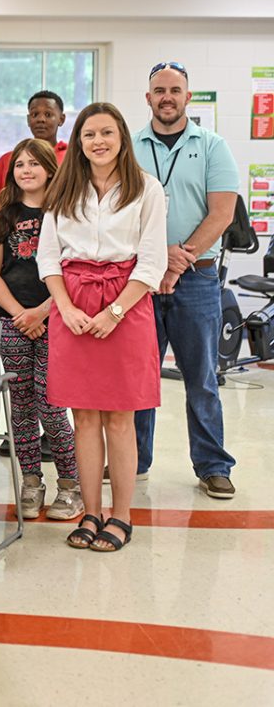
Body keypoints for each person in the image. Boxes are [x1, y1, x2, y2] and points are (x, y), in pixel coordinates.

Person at [38, 102, 167, 551]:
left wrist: (114, 312)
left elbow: (152, 262)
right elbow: (48, 257)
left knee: (120, 417)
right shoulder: (63, 190)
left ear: (122, 138)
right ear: (78, 142)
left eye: (107, 133)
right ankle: (91, 512)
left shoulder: (146, 189)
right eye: (89, 134)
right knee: (84, 418)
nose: (98, 141)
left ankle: (122, 516)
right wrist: (65, 307)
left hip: (126, 302)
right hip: (72, 304)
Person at [132, 62, 239, 499]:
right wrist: (158, 257)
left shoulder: (213, 146)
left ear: (187, 97)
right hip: (140, 279)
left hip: (196, 278)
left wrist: (177, 260)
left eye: (175, 90)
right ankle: (134, 459)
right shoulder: (129, 148)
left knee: (201, 378)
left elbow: (222, 213)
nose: (167, 97)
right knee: (139, 377)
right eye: (159, 90)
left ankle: (213, 465)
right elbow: (119, 210)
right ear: (148, 98)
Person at [0, 138, 80, 520]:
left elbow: (76, 274)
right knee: (21, 407)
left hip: (57, 319)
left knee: (52, 406)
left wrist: (41, 312)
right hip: (12, 322)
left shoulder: (67, 213)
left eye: (34, 163)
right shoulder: (3, 217)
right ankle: (31, 482)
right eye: (19, 164)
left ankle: (70, 485)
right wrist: (21, 314)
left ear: (51, 170)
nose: (26, 170)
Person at [0, 91, 68, 209]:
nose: (41, 119)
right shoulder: (7, 159)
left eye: (48, 114)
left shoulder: (71, 157)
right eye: (35, 114)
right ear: (28, 120)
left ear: (61, 119)